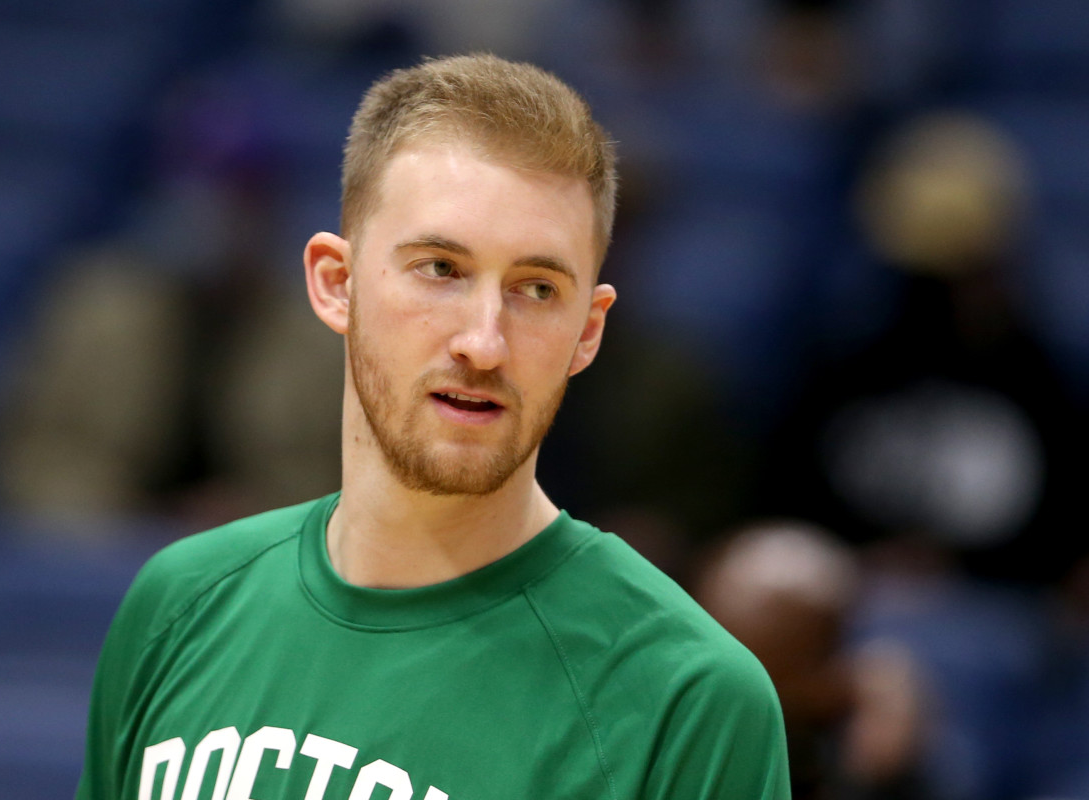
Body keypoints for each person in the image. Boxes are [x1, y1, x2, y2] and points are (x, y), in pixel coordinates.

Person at [76, 53, 790, 800]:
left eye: (537, 289)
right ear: (336, 284)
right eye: (440, 269)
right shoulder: (177, 603)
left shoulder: (688, 701)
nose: (484, 342)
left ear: (588, 330)